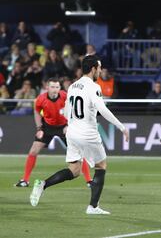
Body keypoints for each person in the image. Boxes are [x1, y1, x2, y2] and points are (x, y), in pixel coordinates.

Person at [29, 55, 130, 215]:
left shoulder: (73, 86)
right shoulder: (93, 87)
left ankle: (43, 184)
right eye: (99, 67)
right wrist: (121, 127)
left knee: (75, 170)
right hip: (87, 132)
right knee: (101, 165)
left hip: (72, 132)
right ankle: (93, 207)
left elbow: (67, 111)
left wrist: (70, 124)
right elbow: (102, 110)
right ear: (93, 69)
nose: (100, 70)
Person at [14, 78, 92, 187]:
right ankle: (25, 180)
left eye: (57, 87)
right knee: (33, 150)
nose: (55, 89)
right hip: (47, 127)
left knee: (79, 153)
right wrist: (39, 128)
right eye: (52, 87)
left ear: (60, 88)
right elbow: (37, 111)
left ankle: (89, 181)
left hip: (64, 127)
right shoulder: (41, 99)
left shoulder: (65, 96)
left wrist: (70, 125)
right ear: (47, 88)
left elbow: (75, 110)